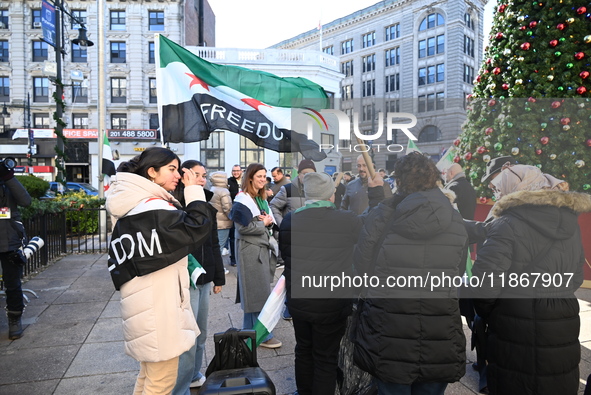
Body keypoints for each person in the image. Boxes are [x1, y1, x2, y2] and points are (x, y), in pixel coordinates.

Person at [469, 164, 589, 395]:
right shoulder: (569, 223)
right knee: (556, 380)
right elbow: (576, 277)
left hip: (514, 319)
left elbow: (484, 286)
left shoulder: (504, 224)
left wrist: (494, 311)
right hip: (562, 315)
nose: (497, 193)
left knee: (516, 382)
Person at [353, 152, 467, 395]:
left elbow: (362, 265)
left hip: (389, 326)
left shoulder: (384, 214)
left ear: (401, 181)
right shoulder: (454, 219)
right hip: (439, 325)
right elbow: (458, 271)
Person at [106, 147, 212, 394]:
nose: (178, 175)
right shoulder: (152, 207)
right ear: (152, 172)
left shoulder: (132, 204)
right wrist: (193, 189)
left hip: (145, 303)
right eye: (172, 169)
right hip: (158, 308)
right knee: (161, 381)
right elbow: (197, 227)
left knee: (149, 377)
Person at [280, 171, 385, 395]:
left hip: (300, 301)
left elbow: (286, 255)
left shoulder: (290, 220)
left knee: (304, 350)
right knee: (325, 357)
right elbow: (371, 224)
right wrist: (376, 194)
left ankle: (304, 391)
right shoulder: (344, 220)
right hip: (331, 303)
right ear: (330, 194)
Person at [171, 160, 226, 393]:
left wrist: (219, 277)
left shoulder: (207, 204)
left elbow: (213, 242)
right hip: (185, 280)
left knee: (201, 332)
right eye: (198, 175)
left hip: (204, 278)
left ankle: (193, 374)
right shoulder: (172, 205)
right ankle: (181, 386)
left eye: (205, 175)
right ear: (185, 176)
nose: (203, 179)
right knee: (188, 338)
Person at [229, 163, 282, 349]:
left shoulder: (259, 198)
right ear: (250, 177)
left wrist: (267, 223)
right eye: (259, 176)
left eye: (264, 176)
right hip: (249, 250)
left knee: (255, 293)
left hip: (258, 249)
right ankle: (264, 335)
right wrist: (265, 223)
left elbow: (267, 222)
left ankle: (248, 330)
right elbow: (242, 228)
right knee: (257, 293)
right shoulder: (242, 200)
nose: (263, 179)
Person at [0, 162, 32, 340]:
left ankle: (15, 319)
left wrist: (8, 177)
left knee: (12, 285)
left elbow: (26, 201)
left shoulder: (8, 182)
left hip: (10, 241)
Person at [270, 159, 317, 227]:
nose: (308, 176)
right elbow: (273, 206)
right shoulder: (288, 189)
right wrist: (283, 225)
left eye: (311, 174)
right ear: (299, 174)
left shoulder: (319, 191)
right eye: (305, 173)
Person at [209, 171, 233, 259]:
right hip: (223, 223)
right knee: (220, 247)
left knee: (215, 246)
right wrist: (232, 217)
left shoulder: (212, 189)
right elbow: (227, 208)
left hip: (215, 221)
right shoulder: (224, 191)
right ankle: (218, 268)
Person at [227, 165, 243, 266]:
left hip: (243, 210)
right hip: (233, 211)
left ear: (241, 171)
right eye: (233, 171)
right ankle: (233, 259)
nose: (235, 173)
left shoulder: (246, 181)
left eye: (237, 171)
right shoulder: (229, 181)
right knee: (232, 237)